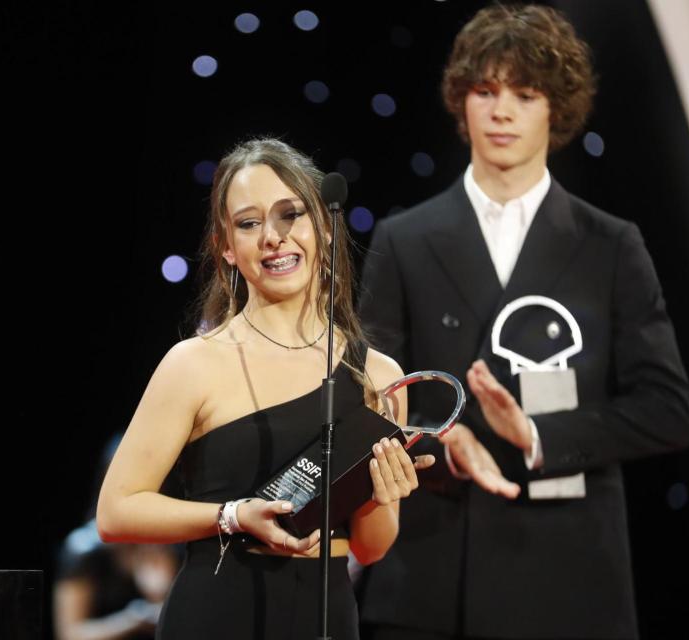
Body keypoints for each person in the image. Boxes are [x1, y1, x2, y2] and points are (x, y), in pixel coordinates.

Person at [358, 5, 689, 639]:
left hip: (569, 581)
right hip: (430, 580)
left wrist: (537, 434)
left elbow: (668, 409)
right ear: (461, 104)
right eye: (485, 91)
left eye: (524, 93)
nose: (502, 110)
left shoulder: (610, 245)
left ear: (556, 109)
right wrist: (437, 436)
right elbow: (367, 393)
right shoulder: (404, 239)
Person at [97, 138, 432, 640]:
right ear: (226, 247)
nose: (273, 237)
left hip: (327, 616)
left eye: (289, 214)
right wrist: (232, 516)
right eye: (249, 223)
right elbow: (116, 512)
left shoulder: (378, 376)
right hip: (217, 612)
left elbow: (372, 548)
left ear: (323, 225)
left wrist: (379, 494)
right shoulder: (194, 363)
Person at [54, 434, 180, 640]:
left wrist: (158, 595)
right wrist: (132, 620)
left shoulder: (173, 543)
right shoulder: (83, 549)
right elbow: (69, 634)